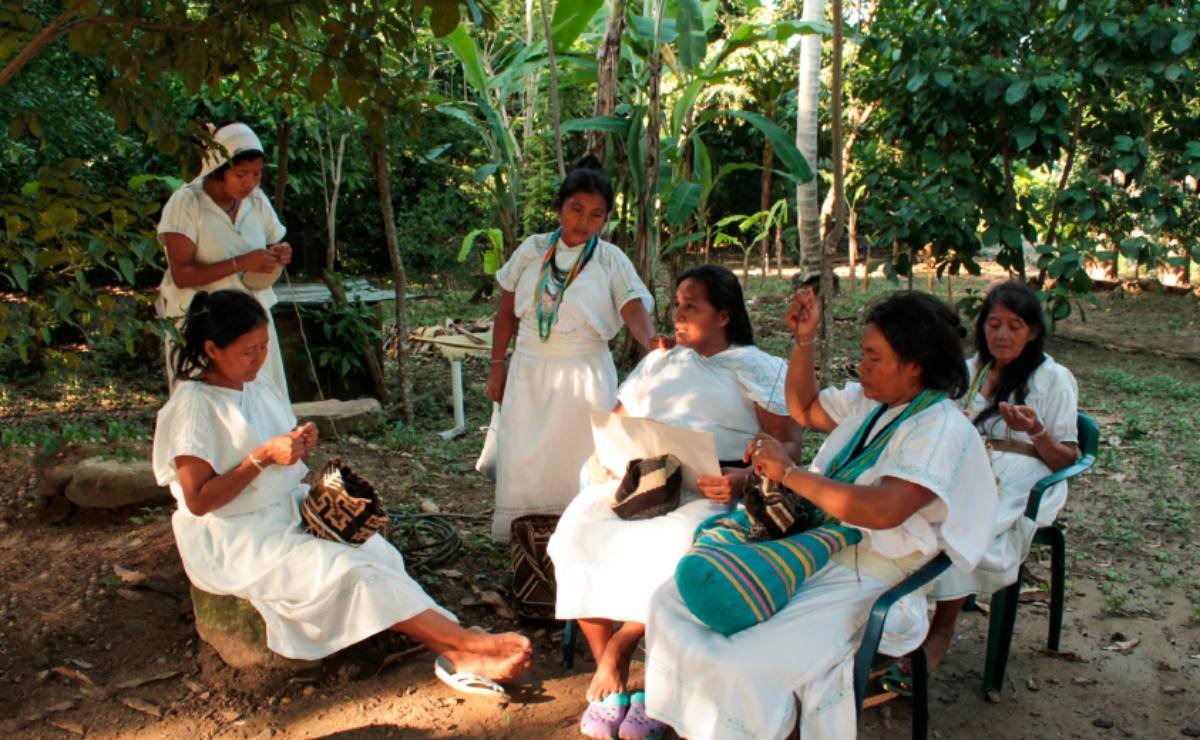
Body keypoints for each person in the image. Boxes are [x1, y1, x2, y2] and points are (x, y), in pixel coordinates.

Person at [642, 290, 998, 739]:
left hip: (871, 576)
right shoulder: (877, 403)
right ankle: (701, 723)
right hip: (815, 547)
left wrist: (789, 474)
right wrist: (803, 340)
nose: (862, 366)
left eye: (873, 358)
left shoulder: (940, 428)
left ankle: (751, 727)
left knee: (741, 660)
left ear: (915, 365)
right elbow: (804, 408)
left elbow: (882, 509)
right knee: (669, 602)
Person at [153, 290, 532, 688]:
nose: (259, 358)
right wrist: (262, 457)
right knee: (350, 574)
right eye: (248, 351)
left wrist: (296, 441)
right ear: (212, 349)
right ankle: (467, 644)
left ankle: (458, 650)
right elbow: (198, 501)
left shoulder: (256, 384)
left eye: (264, 347)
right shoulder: (193, 406)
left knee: (375, 552)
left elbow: (270, 445)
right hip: (236, 536)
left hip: (285, 511)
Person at [547, 265, 804, 739]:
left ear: (724, 315)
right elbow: (619, 420)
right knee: (576, 535)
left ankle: (640, 669)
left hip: (712, 485)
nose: (678, 315)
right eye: (677, 305)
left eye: (692, 306)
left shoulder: (757, 367)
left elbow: (789, 444)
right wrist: (604, 454)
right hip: (643, 479)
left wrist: (746, 477)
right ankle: (615, 685)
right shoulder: (660, 360)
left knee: (677, 546)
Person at [485, 155, 668, 542]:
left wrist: (650, 338)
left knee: (585, 456)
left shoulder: (609, 259)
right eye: (576, 209)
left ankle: (580, 538)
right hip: (530, 369)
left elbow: (631, 304)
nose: (584, 222)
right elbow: (505, 312)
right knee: (526, 456)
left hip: (586, 372)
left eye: (596, 215)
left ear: (605, 221)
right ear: (559, 208)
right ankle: (526, 541)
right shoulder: (532, 251)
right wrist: (497, 365)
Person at [920, 280, 1079, 670]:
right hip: (970, 465)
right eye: (993, 324)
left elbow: (1065, 459)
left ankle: (941, 629)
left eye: (1014, 326)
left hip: (1025, 477)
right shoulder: (970, 370)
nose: (1002, 335)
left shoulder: (1053, 379)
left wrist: (1036, 432)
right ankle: (908, 622)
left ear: (1034, 331)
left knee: (965, 530)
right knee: (919, 517)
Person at [156, 122, 292, 395]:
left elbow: (274, 239)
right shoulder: (187, 203)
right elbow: (182, 275)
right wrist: (241, 262)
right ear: (219, 170)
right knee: (207, 400)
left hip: (251, 323)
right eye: (240, 174)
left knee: (260, 396)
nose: (250, 182)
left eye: (256, 174)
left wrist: (281, 253)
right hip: (205, 324)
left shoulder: (256, 201)